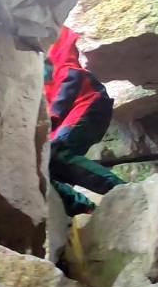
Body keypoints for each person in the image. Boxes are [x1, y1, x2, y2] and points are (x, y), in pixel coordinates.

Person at [45, 26, 125, 216]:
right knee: (39, 166)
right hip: (61, 117)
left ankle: (128, 193)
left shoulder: (48, 33)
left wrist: (51, 119)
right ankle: (83, 210)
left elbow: (71, 77)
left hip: (87, 102)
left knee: (54, 153)